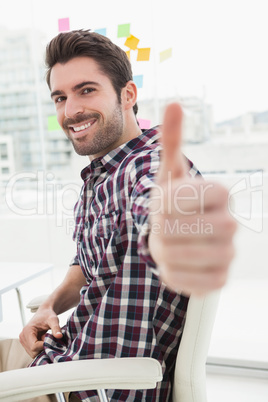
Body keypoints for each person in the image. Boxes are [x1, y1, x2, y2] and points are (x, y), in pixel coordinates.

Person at [2, 29, 236, 401]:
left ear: (127, 95)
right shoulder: (108, 172)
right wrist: (49, 306)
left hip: (85, 385)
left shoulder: (154, 181)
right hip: (67, 358)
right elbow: (89, 260)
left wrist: (38, 378)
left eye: (86, 90)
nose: (70, 110)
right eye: (60, 97)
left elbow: (119, 355)